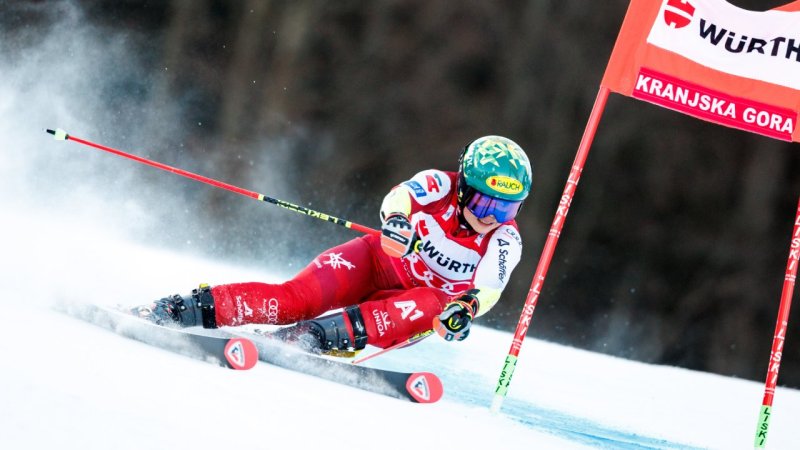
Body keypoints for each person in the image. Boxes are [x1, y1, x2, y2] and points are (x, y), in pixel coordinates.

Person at [133, 135, 532, 355]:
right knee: (295, 299)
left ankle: (310, 338)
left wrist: (465, 310)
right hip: (376, 260)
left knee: (433, 304)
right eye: (484, 202)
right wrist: (395, 222)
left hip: (411, 305)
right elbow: (399, 198)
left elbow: (490, 288)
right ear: (463, 187)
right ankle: (180, 308)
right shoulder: (440, 184)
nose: (492, 216)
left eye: (506, 207)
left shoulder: (504, 238)